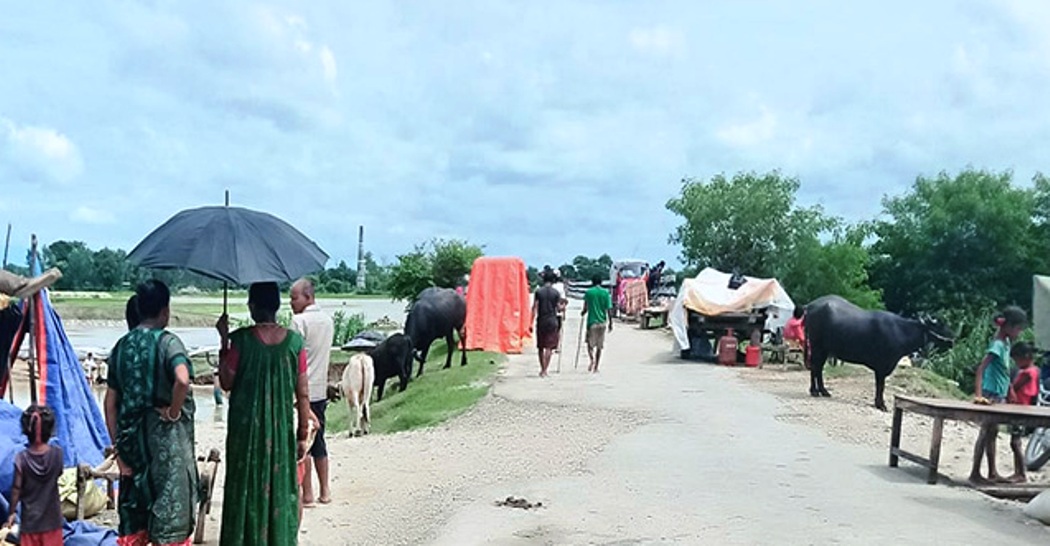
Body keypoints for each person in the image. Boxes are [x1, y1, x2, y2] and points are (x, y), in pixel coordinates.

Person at [217, 282, 311, 545]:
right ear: (277, 306)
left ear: (253, 306)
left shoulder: (240, 340)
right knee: (280, 488)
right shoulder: (295, 343)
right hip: (281, 434)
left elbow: (226, 382)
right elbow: (303, 392)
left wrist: (223, 340)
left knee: (243, 488)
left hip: (245, 434)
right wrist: (302, 434)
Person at [105, 280, 197, 546]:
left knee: (135, 519)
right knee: (170, 516)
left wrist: (117, 449)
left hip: (132, 446)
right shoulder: (168, 343)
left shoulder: (120, 347)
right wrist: (173, 412)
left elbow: (110, 404)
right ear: (165, 310)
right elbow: (182, 379)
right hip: (165, 450)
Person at [290, 277, 335, 506]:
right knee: (320, 442)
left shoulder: (298, 322)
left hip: (302, 392)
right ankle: (325, 490)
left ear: (308, 297)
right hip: (320, 390)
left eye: (294, 298)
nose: (291, 303)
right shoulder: (327, 321)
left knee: (303, 442)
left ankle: (307, 494)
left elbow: (292, 358)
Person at [969, 306, 1026, 485]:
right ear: (1008, 326)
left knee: (992, 433)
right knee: (986, 433)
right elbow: (981, 369)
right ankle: (975, 473)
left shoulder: (1006, 343)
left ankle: (992, 472)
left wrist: (1010, 388)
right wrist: (979, 396)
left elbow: (1004, 369)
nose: (1019, 332)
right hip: (990, 394)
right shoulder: (997, 345)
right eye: (1018, 328)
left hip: (1000, 393)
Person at [4, 405, 63, 546]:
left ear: (26, 430)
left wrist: (11, 513)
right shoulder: (57, 454)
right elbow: (58, 473)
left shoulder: (21, 458)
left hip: (30, 523)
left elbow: (16, 489)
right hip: (53, 520)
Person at [531, 271, 562, 377]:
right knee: (549, 347)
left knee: (540, 346)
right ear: (553, 281)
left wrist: (530, 323)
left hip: (541, 320)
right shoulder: (556, 293)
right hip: (552, 320)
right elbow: (559, 308)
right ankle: (545, 370)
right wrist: (564, 306)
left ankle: (542, 368)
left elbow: (534, 308)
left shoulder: (538, 292)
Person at [581, 275, 613, 373]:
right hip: (602, 322)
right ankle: (596, 367)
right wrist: (611, 322)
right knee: (599, 346)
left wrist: (583, 312)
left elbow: (585, 308)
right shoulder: (605, 293)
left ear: (592, 282)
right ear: (601, 282)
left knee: (589, 344)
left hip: (592, 322)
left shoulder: (589, 292)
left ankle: (592, 359)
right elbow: (609, 309)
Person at [551, 270, 568, 353]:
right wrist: (564, 312)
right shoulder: (561, 286)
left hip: (551, 311)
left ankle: (552, 344)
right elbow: (564, 300)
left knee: (552, 329)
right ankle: (557, 346)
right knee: (559, 329)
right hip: (559, 311)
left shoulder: (551, 286)